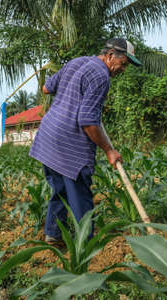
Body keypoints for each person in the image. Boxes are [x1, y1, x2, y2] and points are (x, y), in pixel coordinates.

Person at [29, 38, 142, 246]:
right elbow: (88, 121)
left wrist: (71, 93)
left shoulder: (77, 61)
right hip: (69, 143)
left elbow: (46, 88)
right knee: (80, 196)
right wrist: (109, 150)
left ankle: (53, 235)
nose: (123, 69)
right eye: (123, 64)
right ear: (109, 56)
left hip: (47, 137)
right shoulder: (101, 76)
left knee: (61, 190)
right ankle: (87, 247)